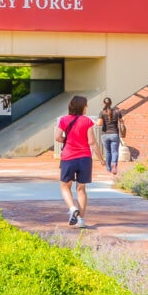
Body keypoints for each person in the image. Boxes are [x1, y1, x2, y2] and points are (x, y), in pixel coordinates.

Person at [55, 95, 103, 229]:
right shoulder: (87, 121)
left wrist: (67, 140)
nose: (87, 107)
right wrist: (101, 159)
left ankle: (72, 208)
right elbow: (92, 142)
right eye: (86, 105)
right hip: (85, 158)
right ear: (82, 106)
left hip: (69, 157)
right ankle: (81, 220)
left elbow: (57, 137)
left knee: (65, 186)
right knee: (81, 189)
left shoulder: (64, 120)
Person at [98, 97, 125, 175]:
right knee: (115, 151)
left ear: (104, 103)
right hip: (114, 134)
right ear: (111, 103)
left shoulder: (102, 112)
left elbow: (99, 123)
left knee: (108, 151)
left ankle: (108, 168)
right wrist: (123, 121)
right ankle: (114, 164)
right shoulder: (117, 112)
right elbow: (121, 121)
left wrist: (94, 122)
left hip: (105, 135)